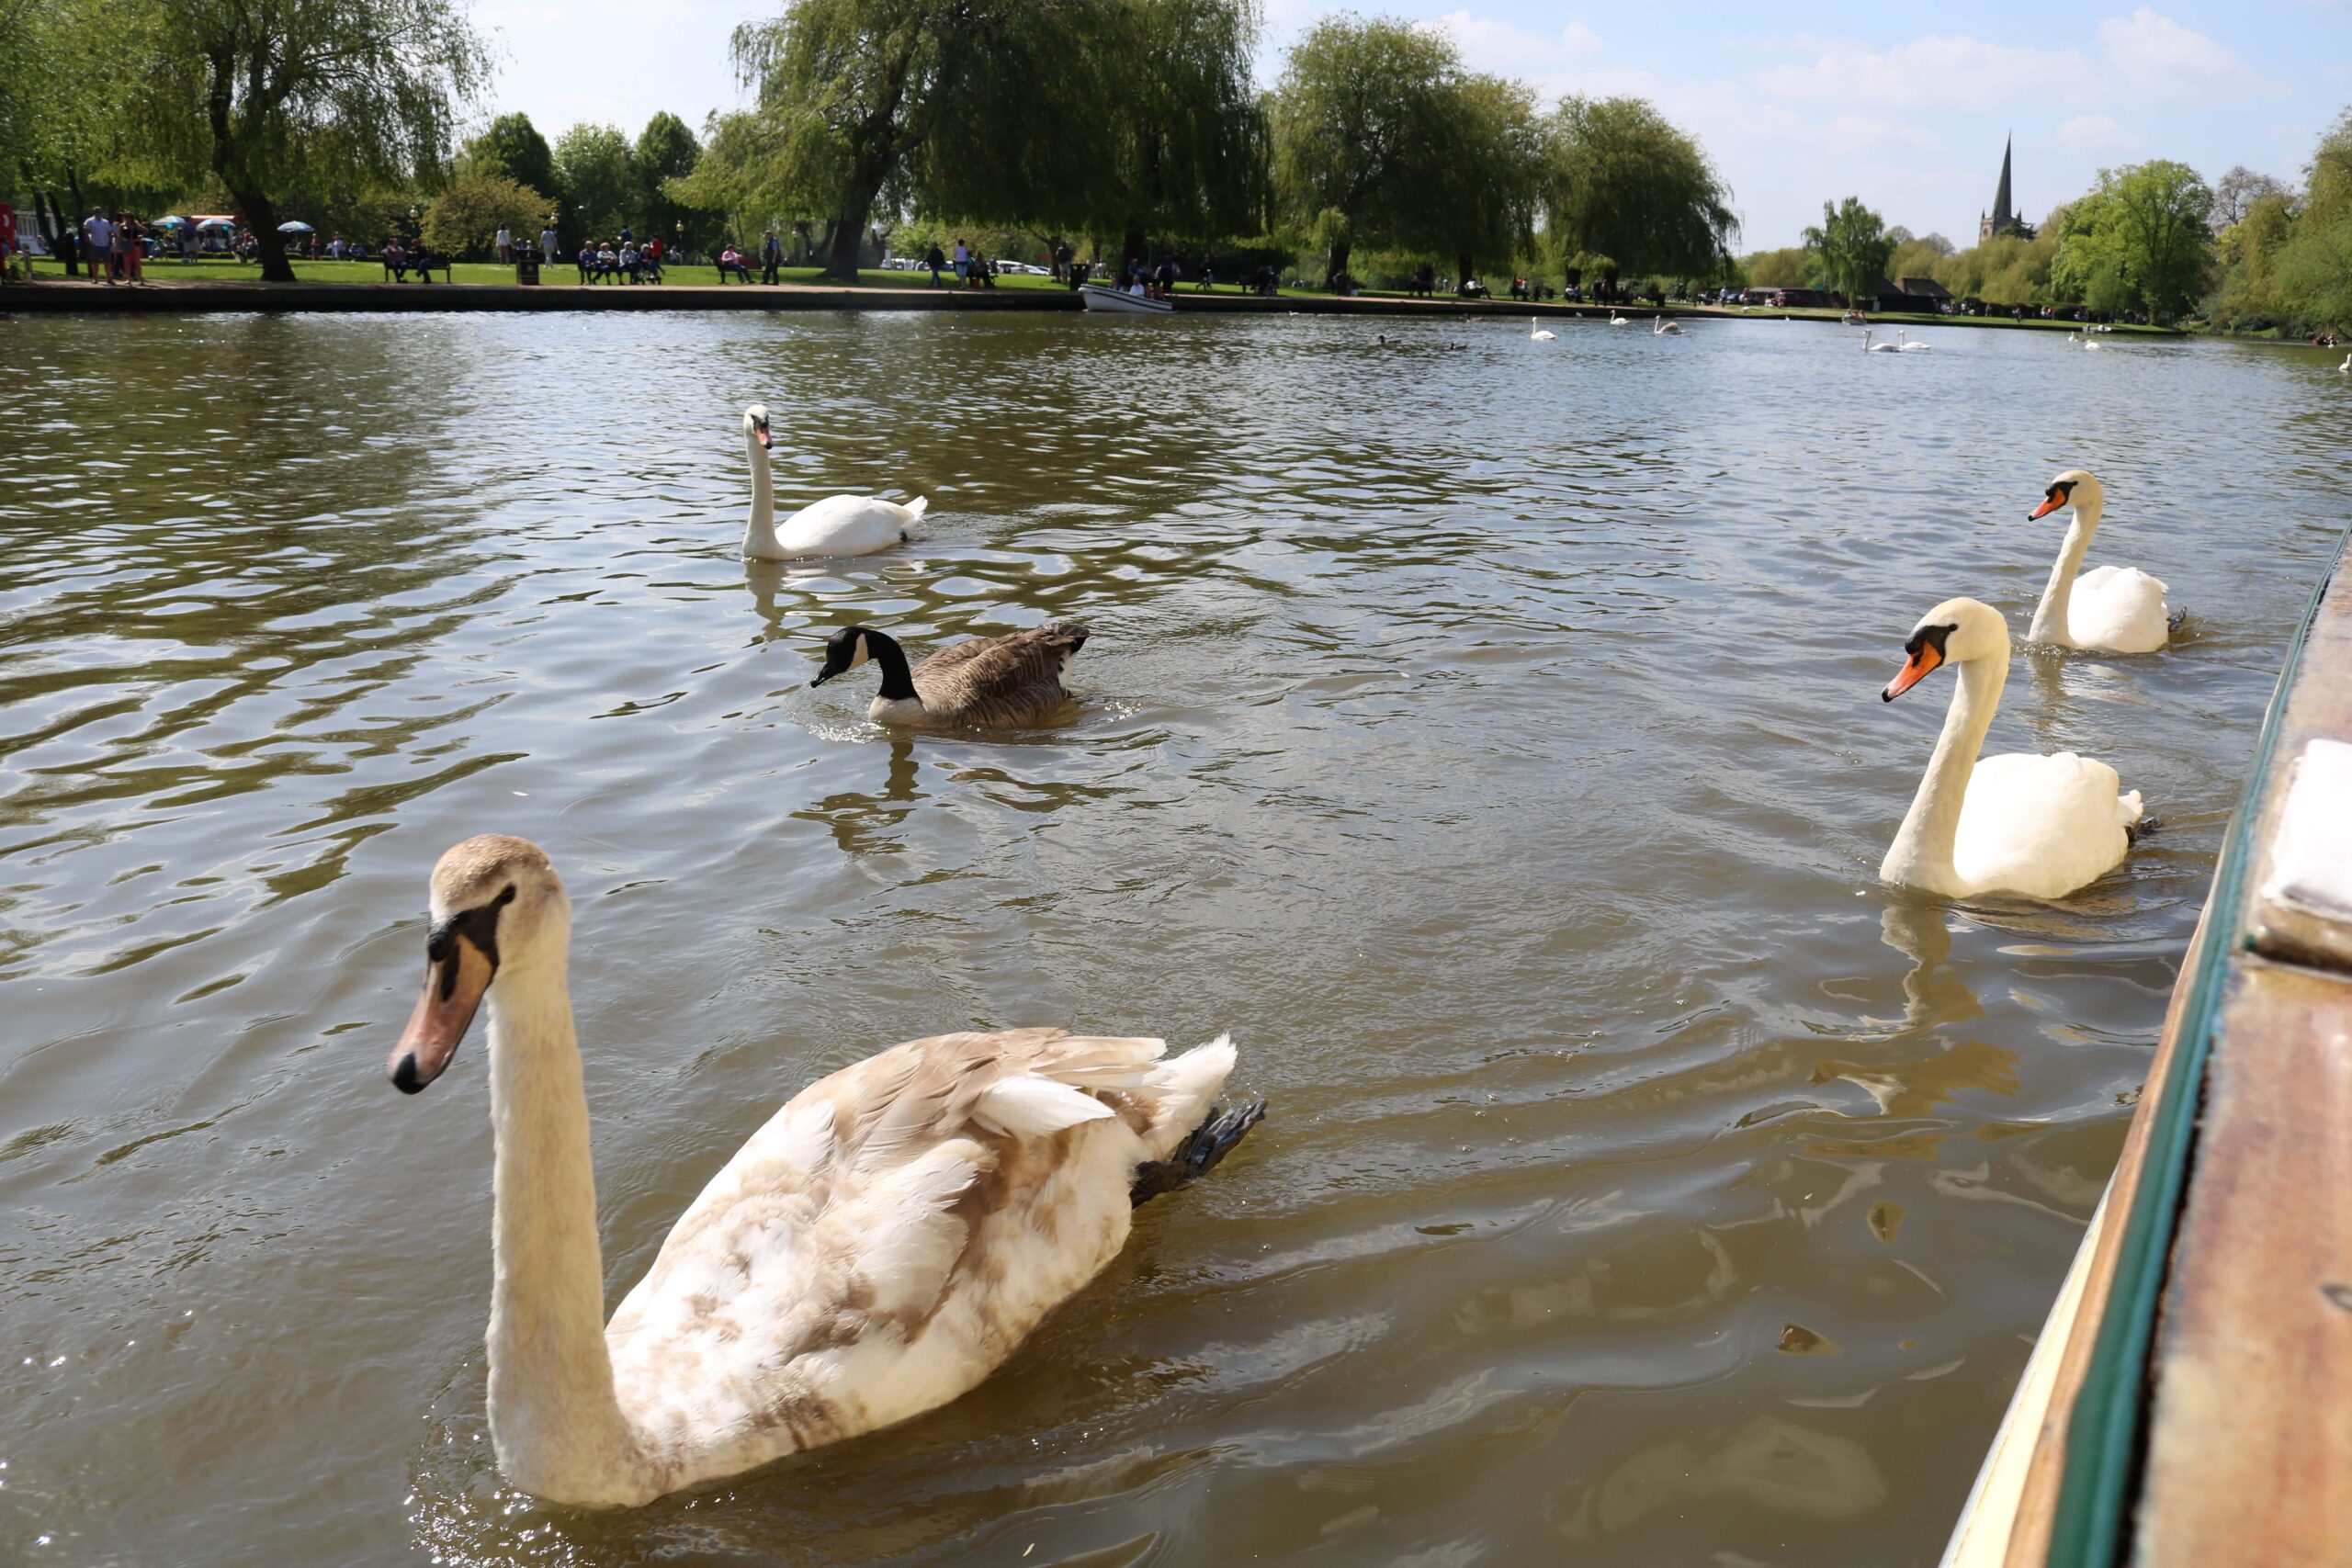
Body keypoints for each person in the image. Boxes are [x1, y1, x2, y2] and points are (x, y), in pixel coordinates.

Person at [82, 209, 114, 283]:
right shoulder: (89, 221)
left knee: (107, 262)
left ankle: (109, 278)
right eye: (98, 212)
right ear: (94, 212)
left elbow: (109, 232)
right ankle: (95, 278)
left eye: (100, 212)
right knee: (95, 262)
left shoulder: (106, 222)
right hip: (95, 243)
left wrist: (111, 240)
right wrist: (89, 239)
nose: (99, 213)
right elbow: (86, 231)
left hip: (105, 244)